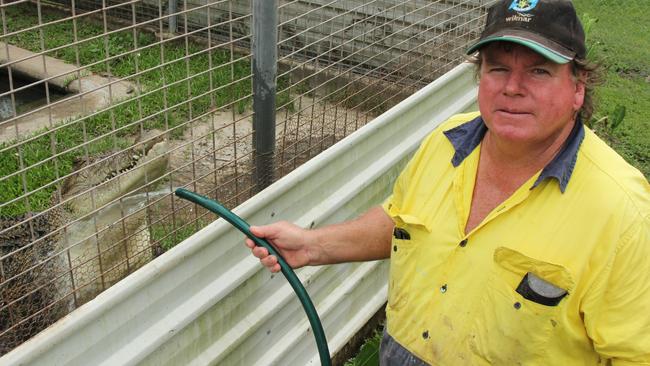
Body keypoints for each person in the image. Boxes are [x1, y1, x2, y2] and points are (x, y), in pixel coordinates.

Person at [245, 0, 650, 364]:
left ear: (577, 88)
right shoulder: (446, 141)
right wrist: (312, 245)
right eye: (498, 68)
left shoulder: (620, 213)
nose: (512, 88)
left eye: (539, 71)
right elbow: (404, 221)